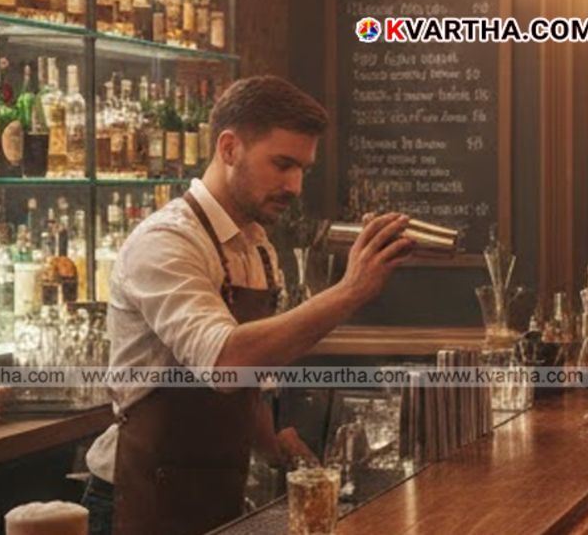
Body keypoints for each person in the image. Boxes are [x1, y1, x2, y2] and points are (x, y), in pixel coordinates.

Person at [80, 75, 414, 535]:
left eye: (303, 169)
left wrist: (273, 446)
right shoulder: (166, 241)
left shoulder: (257, 248)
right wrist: (350, 290)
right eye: (282, 164)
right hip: (138, 500)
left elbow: (245, 380)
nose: (295, 185)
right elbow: (225, 358)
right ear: (230, 147)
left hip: (217, 497)